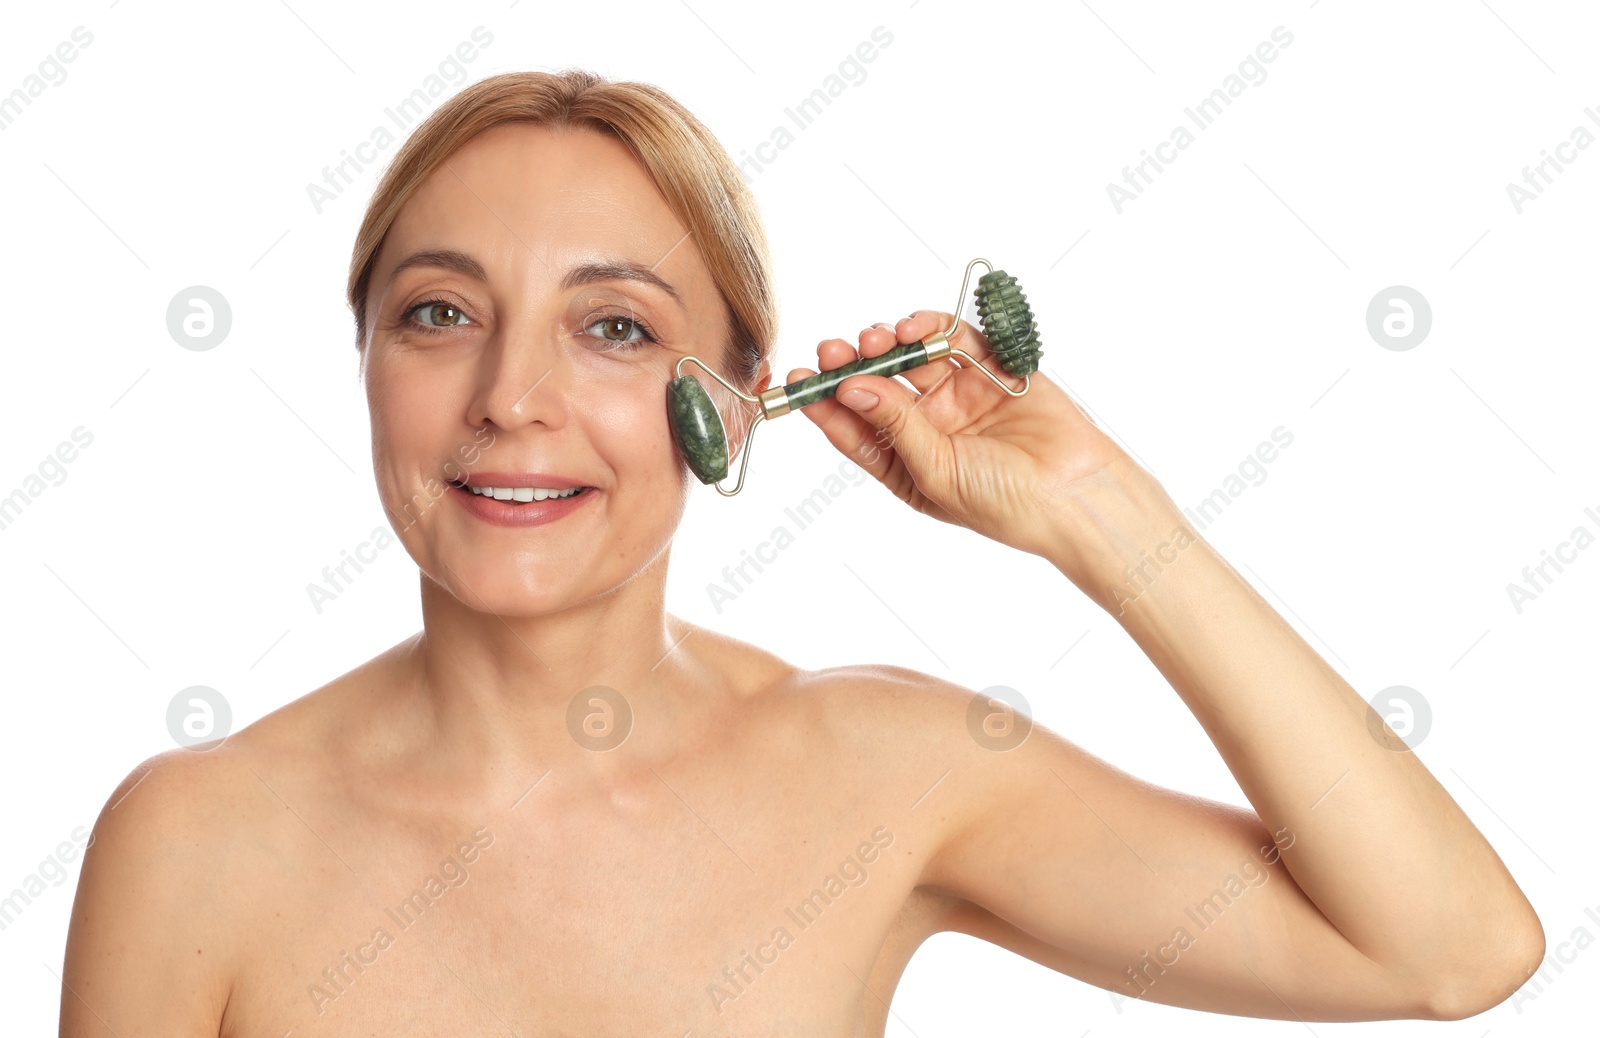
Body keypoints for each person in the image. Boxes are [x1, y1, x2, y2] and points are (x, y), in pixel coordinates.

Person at [59, 69, 1542, 1036]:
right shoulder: (194, 840)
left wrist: (1105, 518)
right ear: (369, 357)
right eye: (440, 312)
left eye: (617, 327)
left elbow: (1444, 946)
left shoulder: (885, 764)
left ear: (739, 394)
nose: (512, 395)